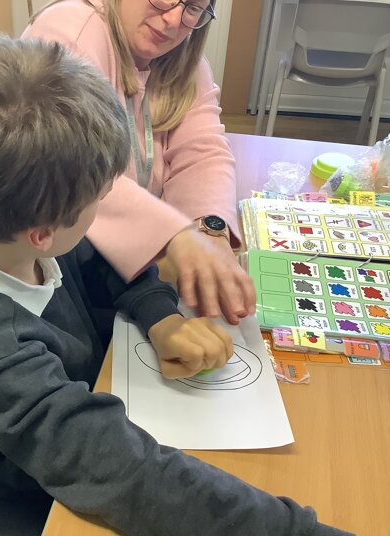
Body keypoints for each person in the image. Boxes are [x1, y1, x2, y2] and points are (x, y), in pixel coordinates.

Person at [0, 36, 355, 536]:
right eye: (99, 201)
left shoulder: (5, 221)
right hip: (32, 494)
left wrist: (160, 316)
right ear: (43, 234)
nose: (103, 209)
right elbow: (123, 472)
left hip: (86, 419)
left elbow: (101, 261)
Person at [23, 0, 256, 325]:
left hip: (130, 280)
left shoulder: (185, 59)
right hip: (60, 275)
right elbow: (74, 169)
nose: (173, 19)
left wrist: (209, 230)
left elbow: (203, 151)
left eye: (193, 7)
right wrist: (176, 236)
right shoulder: (68, 31)